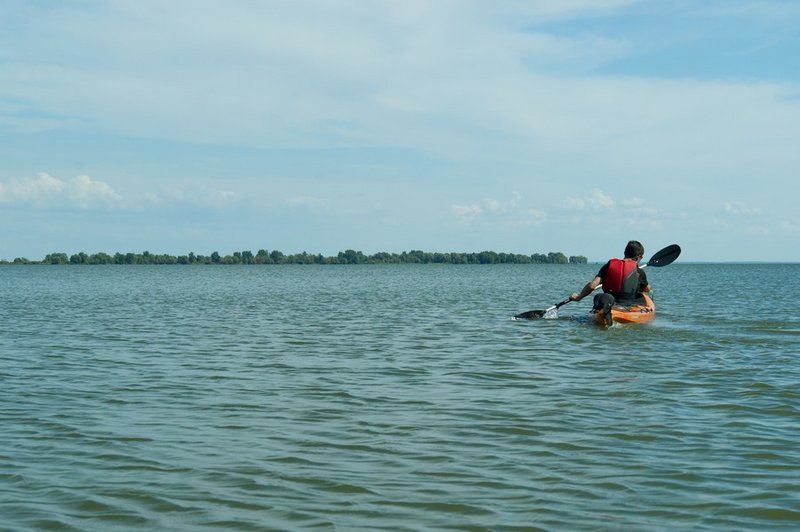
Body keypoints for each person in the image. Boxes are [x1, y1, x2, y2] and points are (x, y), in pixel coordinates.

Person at [569, 240, 651, 325]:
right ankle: (607, 307)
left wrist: (579, 297)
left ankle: (606, 307)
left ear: (625, 252)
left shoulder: (609, 266)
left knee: (601, 297)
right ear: (638, 257)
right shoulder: (639, 272)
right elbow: (647, 289)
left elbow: (592, 286)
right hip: (628, 306)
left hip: (611, 302)